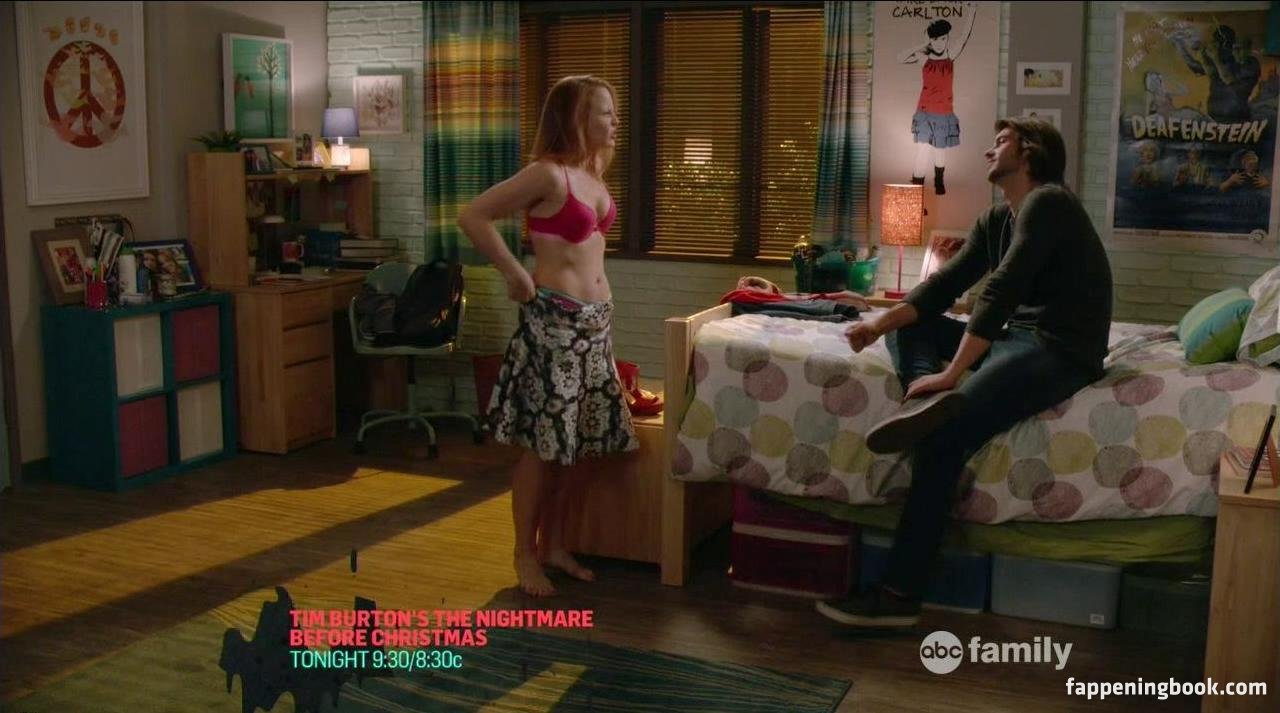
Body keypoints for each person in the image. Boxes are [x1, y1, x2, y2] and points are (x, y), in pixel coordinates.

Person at [815, 117, 1113, 627]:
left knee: (941, 443)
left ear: (1030, 151)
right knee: (913, 325)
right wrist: (878, 324)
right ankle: (926, 399)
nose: (988, 152)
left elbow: (1002, 290)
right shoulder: (996, 219)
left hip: (1061, 349)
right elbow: (942, 287)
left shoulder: (1049, 203)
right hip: (1015, 339)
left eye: (1001, 142)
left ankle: (898, 596)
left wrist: (953, 372)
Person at [458, 75, 637, 597]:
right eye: (604, 111)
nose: (615, 120)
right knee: (543, 446)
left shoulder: (594, 172)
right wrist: (515, 273)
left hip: (594, 325)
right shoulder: (547, 174)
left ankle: (555, 545)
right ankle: (523, 554)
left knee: (575, 445)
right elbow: (473, 215)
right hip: (554, 325)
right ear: (576, 117)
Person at [899, 1, 977, 195]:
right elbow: (900, 57)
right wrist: (923, 45)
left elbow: (965, 36)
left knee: (940, 149)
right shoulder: (923, 58)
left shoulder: (950, 56)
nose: (940, 43)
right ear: (931, 40)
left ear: (947, 39)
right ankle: (917, 187)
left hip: (944, 112)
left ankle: (939, 180)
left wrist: (972, 11)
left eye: (943, 38)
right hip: (925, 111)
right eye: (936, 39)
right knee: (923, 149)